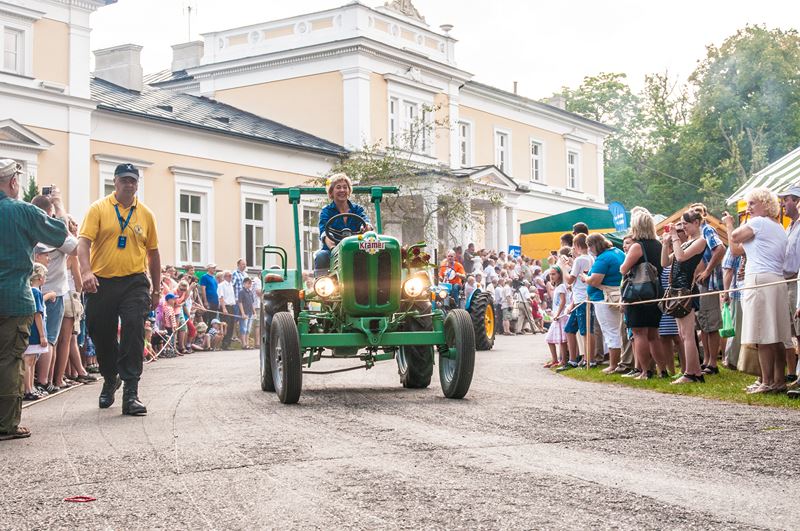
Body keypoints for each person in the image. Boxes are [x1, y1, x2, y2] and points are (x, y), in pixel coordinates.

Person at [78, 163, 161, 416]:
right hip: (101, 282)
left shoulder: (146, 214)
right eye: (124, 180)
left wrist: (156, 290)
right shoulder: (98, 208)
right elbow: (83, 243)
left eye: (133, 180)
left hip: (134, 282)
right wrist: (86, 272)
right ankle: (110, 377)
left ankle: (131, 393)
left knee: (133, 329)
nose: (129, 184)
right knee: (100, 332)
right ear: (115, 182)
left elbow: (154, 253)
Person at [0, 159, 68, 440]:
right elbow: (59, 233)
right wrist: (58, 206)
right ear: (14, 182)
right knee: (9, 361)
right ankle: (6, 424)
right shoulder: (22, 211)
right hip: (14, 298)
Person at [726, 189, 791, 394]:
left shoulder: (759, 223)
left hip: (759, 280)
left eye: (752, 203)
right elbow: (737, 250)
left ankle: (767, 382)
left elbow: (735, 237)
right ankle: (779, 380)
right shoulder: (778, 227)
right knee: (777, 334)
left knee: (762, 334)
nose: (749, 208)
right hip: (777, 281)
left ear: (765, 204)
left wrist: (729, 224)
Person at [660, 210, 707, 384]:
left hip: (686, 290)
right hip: (677, 291)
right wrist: (665, 244)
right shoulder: (686, 242)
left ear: (696, 223)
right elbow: (665, 262)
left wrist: (674, 236)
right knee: (683, 334)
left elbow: (680, 257)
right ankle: (694, 372)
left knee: (687, 334)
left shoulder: (701, 241)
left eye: (685, 224)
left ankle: (691, 373)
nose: (682, 227)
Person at [619, 207, 663, 380]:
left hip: (638, 294)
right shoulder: (658, 245)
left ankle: (645, 371)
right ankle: (662, 370)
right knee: (653, 335)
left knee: (639, 333)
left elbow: (623, 269)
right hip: (655, 292)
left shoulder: (637, 246)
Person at [690, 203, 726, 375]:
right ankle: (706, 360)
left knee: (711, 323)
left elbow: (720, 249)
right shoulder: (695, 235)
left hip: (709, 283)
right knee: (703, 323)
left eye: (698, 212)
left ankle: (713, 362)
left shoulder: (708, 230)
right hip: (700, 284)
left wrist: (707, 271)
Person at [581, 234, 625, 374]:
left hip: (604, 299)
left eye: (589, 246)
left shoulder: (604, 258)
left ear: (594, 245)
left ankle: (614, 364)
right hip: (615, 296)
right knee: (616, 330)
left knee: (610, 331)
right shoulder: (618, 252)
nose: (589, 250)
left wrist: (585, 277)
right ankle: (620, 362)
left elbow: (595, 281)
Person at [314, 173, 372, 275]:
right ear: (331, 192)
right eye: (338, 187)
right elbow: (324, 232)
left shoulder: (357, 209)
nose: (342, 190)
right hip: (333, 250)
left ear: (349, 191)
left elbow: (365, 222)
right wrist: (333, 248)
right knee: (321, 256)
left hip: (356, 248)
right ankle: (322, 282)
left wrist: (366, 226)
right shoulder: (326, 211)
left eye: (345, 187)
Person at [777, 186, 800, 378]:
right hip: (785, 282)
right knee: (789, 332)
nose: (783, 204)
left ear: (797, 201)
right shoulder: (789, 227)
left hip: (796, 281)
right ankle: (793, 373)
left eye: (786, 200)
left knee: (799, 330)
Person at [566, 233, 596, 367]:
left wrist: (563, 267)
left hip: (582, 299)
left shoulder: (580, 259)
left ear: (577, 245)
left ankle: (590, 360)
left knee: (586, 331)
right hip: (581, 298)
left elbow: (569, 280)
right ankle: (574, 360)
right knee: (569, 329)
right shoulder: (590, 258)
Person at [23, 264, 51, 401]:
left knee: (32, 360)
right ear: (40, 278)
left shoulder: (31, 291)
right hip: (34, 331)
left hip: (33, 329)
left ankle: (31, 387)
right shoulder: (36, 292)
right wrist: (42, 335)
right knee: (29, 360)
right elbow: (37, 314)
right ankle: (27, 389)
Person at [218, 270, 236, 349]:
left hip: (231, 306)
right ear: (225, 277)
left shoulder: (231, 285)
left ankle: (228, 343)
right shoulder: (221, 285)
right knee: (226, 325)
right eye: (229, 276)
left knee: (231, 325)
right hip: (225, 306)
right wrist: (224, 308)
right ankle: (224, 344)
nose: (231, 277)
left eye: (231, 276)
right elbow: (221, 297)